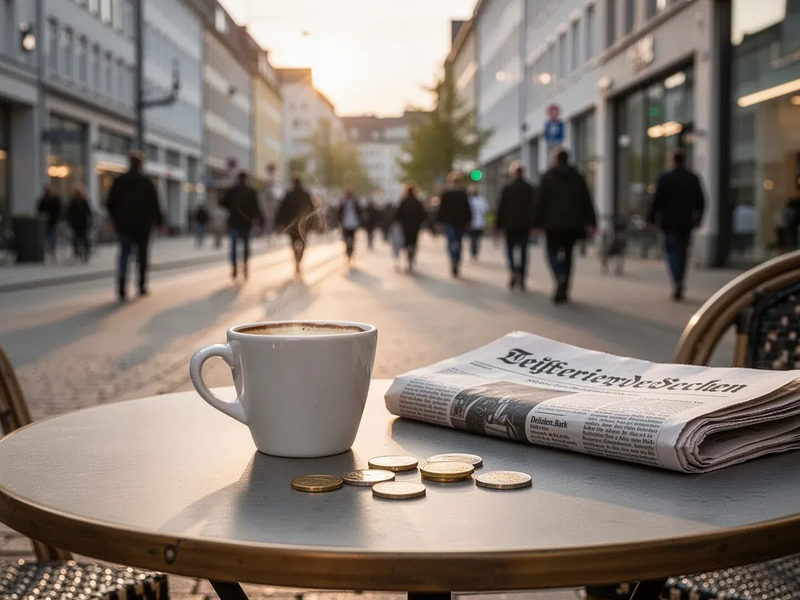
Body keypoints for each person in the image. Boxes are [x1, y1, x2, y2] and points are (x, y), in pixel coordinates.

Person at [533, 147, 597, 304]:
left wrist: (536, 223)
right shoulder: (578, 177)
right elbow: (587, 201)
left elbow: (540, 202)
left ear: (555, 159)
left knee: (552, 253)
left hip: (552, 225)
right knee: (568, 255)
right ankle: (565, 285)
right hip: (573, 225)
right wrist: (592, 222)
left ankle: (559, 276)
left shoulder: (547, 177)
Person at [647, 149, 705, 301]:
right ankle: (680, 279)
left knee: (672, 252)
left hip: (669, 222)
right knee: (683, 253)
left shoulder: (665, 177)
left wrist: (651, 218)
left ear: (672, 161)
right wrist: (699, 219)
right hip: (686, 222)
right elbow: (701, 200)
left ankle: (676, 279)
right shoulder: (692, 178)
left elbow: (657, 199)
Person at [106, 151, 163, 301]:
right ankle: (141, 286)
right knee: (142, 256)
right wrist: (159, 221)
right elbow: (155, 204)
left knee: (124, 255)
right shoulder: (146, 182)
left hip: (124, 225)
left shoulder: (119, 182)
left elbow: (110, 203)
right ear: (141, 164)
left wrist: (115, 218)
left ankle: (122, 287)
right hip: (143, 226)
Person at [496, 161, 536, 290]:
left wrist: (498, 225)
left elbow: (501, 208)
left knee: (510, 250)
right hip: (524, 226)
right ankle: (522, 275)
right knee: (523, 251)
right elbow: (534, 208)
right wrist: (535, 224)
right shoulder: (530, 188)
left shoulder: (507, 189)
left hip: (510, 226)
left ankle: (513, 270)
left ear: (513, 173)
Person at [220, 170, 265, 280]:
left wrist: (231, 209)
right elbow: (256, 207)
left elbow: (223, 203)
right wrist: (260, 220)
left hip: (234, 222)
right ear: (246, 179)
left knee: (234, 246)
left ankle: (234, 266)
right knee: (245, 246)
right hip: (246, 223)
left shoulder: (232, 191)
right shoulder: (251, 191)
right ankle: (245, 265)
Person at [275, 173, 315, 276]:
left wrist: (279, 222)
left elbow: (282, 209)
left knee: (293, 243)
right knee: (303, 242)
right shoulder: (305, 194)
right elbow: (311, 209)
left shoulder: (289, 194)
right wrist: (313, 222)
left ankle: (296, 259)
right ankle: (299, 258)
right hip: (303, 225)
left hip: (292, 225)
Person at [436, 171, 472, 278]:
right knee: (458, 242)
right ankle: (456, 259)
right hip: (459, 222)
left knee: (451, 241)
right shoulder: (462, 193)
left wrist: (439, 222)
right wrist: (468, 221)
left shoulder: (447, 193)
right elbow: (467, 209)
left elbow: (442, 210)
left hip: (450, 222)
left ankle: (453, 259)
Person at [395, 182, 427, 273]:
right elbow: (423, 215)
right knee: (413, 242)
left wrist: (398, 222)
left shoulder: (403, 201)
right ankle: (411, 257)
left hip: (405, 226)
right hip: (415, 226)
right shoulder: (417, 202)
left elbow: (398, 214)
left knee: (407, 242)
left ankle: (408, 256)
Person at [66, 183, 92, 263]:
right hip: (78, 223)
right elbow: (69, 213)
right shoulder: (75, 202)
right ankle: (80, 253)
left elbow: (88, 212)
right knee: (79, 239)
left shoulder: (82, 201)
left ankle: (83, 253)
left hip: (80, 223)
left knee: (81, 239)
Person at [337, 188, 362, 264]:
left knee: (352, 239)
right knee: (346, 239)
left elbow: (360, 212)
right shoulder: (343, 203)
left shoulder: (355, 203)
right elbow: (338, 212)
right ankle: (348, 252)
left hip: (353, 224)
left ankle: (350, 252)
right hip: (345, 224)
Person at [37, 186, 62, 261]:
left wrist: (57, 217)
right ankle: (48, 249)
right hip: (46, 222)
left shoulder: (55, 200)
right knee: (47, 236)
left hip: (53, 221)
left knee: (53, 236)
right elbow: (39, 209)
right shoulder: (43, 200)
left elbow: (59, 209)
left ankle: (52, 249)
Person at [468, 185, 490, 262]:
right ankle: (474, 253)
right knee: (475, 239)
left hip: (478, 223)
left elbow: (486, 210)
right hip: (475, 223)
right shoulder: (475, 200)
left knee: (475, 239)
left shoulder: (479, 200)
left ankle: (474, 253)